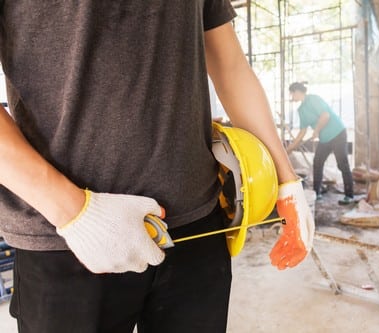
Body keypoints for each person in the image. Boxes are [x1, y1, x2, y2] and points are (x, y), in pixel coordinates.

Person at [0, 2, 314, 332]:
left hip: (197, 229)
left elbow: (229, 63)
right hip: (68, 238)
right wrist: (73, 212)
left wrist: (286, 180)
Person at [286, 81, 354, 204]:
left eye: (291, 94)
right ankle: (316, 193)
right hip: (325, 139)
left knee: (342, 163)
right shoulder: (301, 110)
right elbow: (302, 132)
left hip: (338, 133)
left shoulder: (313, 99)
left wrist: (316, 130)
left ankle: (349, 196)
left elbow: (326, 115)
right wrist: (289, 149)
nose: (291, 97)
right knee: (317, 162)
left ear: (297, 92)